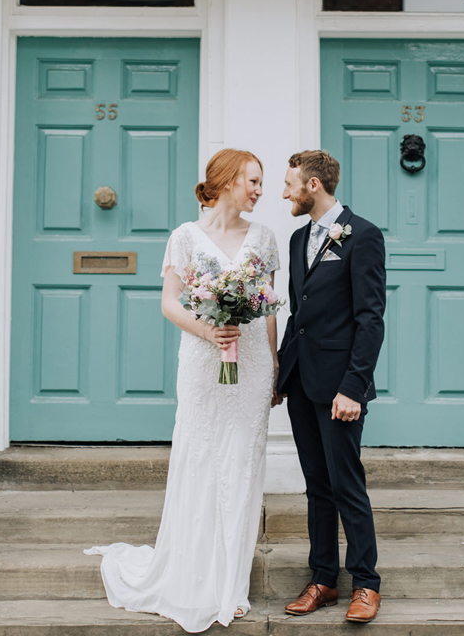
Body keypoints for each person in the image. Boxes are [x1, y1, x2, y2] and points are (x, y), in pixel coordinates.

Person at [86, 148, 283, 633]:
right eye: (253, 180)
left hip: (252, 363)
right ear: (227, 179)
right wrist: (206, 331)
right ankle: (192, 578)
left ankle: (230, 586)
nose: (259, 189)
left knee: (241, 466)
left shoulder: (265, 238)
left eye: (262, 182)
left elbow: (272, 307)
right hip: (203, 361)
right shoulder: (186, 237)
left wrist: (276, 366)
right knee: (202, 460)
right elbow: (169, 303)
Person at [276, 149, 385, 624]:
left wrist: (354, 388)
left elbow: (370, 319)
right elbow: (297, 317)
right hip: (302, 383)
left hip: (341, 387)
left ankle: (365, 583)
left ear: (313, 185)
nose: (284, 193)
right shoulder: (300, 238)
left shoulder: (363, 236)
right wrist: (281, 376)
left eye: (289, 184)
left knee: (346, 485)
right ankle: (323, 579)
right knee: (316, 486)